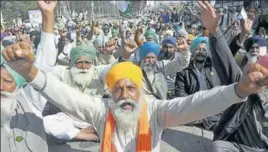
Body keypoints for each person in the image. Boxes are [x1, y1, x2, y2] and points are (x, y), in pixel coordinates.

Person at [2, 41, 268, 151]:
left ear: (140, 91)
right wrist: (31, 72)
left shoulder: (156, 111)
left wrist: (239, 90)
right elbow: (66, 96)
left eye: (131, 88)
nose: (125, 95)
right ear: (111, 93)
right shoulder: (100, 110)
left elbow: (196, 104)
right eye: (119, 89)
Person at [194, 1, 268, 151]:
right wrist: (214, 31)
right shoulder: (246, 86)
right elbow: (227, 60)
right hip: (236, 143)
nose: (256, 75)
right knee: (218, 147)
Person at [1, 53, 48, 152]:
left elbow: (43, 72)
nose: (1, 87)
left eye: (7, 81)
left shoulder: (30, 104)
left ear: (18, 86)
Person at [175, 36, 221, 129]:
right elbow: (180, 93)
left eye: (204, 50)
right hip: (192, 106)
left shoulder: (213, 67)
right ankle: (201, 119)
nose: (201, 52)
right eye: (198, 49)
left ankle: (203, 119)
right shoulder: (184, 70)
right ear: (193, 51)